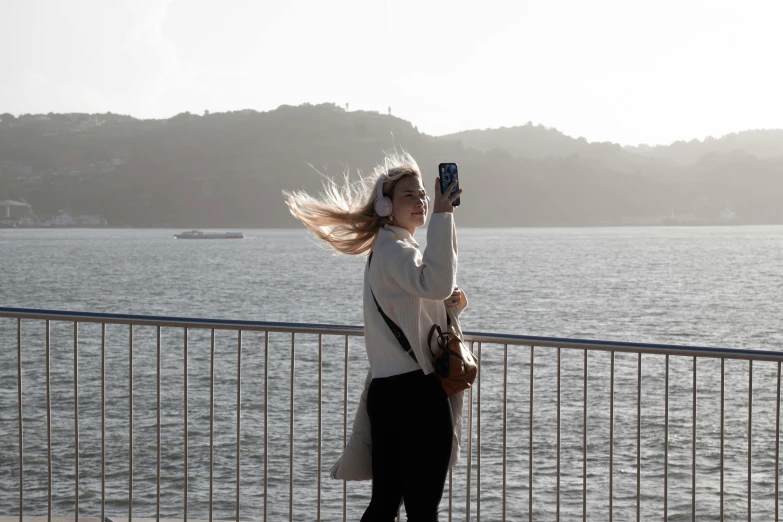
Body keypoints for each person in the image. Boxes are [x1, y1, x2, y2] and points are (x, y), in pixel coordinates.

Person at [284, 151, 467, 521]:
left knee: (385, 503)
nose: (421, 202)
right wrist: (444, 216)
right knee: (421, 508)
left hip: (389, 395)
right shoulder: (396, 249)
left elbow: (414, 306)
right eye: (408, 195)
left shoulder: (389, 248)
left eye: (423, 195)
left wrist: (449, 309)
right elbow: (435, 282)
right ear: (386, 206)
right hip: (417, 396)